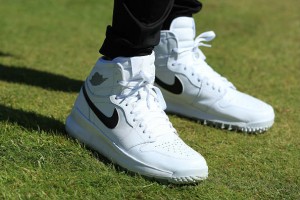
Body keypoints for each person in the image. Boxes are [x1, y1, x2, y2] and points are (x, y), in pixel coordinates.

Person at [65, 0, 275, 184]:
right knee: (131, 47)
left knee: (177, 11)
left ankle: (170, 64)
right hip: (118, 75)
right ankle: (116, 82)